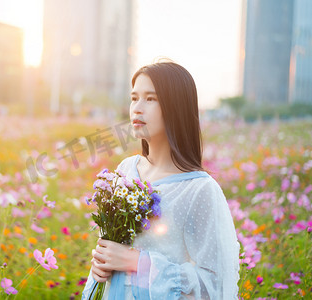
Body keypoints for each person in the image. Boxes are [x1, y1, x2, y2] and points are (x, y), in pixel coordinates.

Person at [82, 61, 240, 299]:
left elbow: (214, 285)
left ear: (176, 107)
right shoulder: (127, 169)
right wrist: (103, 262)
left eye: (151, 99)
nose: (137, 108)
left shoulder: (199, 189)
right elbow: (112, 247)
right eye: (134, 98)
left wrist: (138, 262)